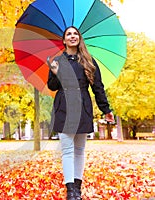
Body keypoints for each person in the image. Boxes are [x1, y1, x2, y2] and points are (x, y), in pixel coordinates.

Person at [47, 26, 114, 200]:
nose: (72, 36)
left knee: (79, 150)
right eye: (69, 34)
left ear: (79, 38)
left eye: (75, 33)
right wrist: (54, 73)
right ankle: (70, 190)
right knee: (67, 150)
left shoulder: (88, 61)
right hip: (64, 107)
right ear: (64, 40)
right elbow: (52, 86)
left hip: (83, 105)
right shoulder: (57, 61)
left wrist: (105, 109)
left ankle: (78, 187)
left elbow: (98, 87)